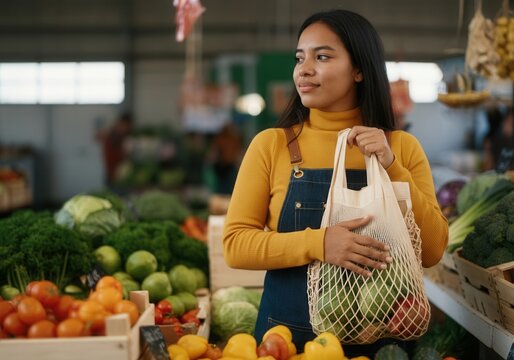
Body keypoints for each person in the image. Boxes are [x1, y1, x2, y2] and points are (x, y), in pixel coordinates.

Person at [222, 9, 448, 357]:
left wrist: (392, 168)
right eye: (300, 58)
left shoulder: (401, 148)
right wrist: (320, 243)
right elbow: (236, 245)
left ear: (359, 69)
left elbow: (432, 251)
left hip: (383, 345)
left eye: (322, 56)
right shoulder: (272, 145)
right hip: (285, 343)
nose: (304, 69)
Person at [97, 112, 134, 186]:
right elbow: (97, 137)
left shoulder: (124, 136)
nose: (125, 128)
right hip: (112, 171)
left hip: (118, 172)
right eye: (124, 125)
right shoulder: (112, 135)